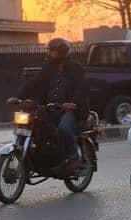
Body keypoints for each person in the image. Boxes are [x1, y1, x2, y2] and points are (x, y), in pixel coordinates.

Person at [8, 38, 88, 170]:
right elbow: (35, 82)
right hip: (51, 107)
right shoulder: (49, 66)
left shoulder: (75, 68)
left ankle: (74, 156)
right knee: (36, 124)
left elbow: (82, 88)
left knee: (64, 128)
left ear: (61, 51)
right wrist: (18, 97)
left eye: (52, 51)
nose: (49, 53)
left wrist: (72, 103)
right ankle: (43, 155)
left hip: (71, 110)